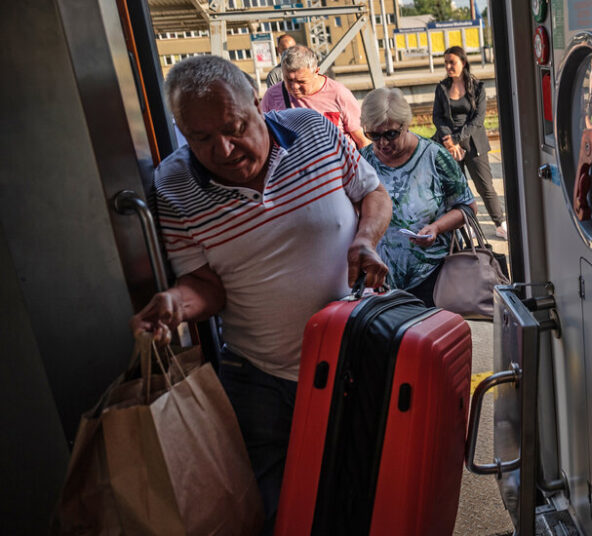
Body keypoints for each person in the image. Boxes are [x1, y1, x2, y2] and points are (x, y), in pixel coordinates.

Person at [131, 55, 391, 533]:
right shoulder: (172, 186)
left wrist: (365, 240)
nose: (224, 149)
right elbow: (206, 287)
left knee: (365, 498)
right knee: (278, 515)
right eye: (201, 138)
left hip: (352, 359)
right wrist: (176, 306)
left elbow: (373, 193)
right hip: (261, 381)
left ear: (258, 103)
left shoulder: (313, 130)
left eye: (233, 128)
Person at [360, 88, 477, 306]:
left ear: (405, 125)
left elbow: (468, 207)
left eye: (390, 134)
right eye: (373, 135)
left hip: (433, 278)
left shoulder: (434, 156)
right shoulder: (362, 161)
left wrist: (436, 228)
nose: (383, 143)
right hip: (381, 281)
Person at [432, 46, 507, 239]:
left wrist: (457, 139)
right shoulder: (441, 88)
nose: (448, 66)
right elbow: (438, 118)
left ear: (463, 62)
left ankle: (500, 224)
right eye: (446, 63)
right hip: (449, 146)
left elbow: (478, 120)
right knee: (457, 188)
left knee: (485, 186)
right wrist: (450, 142)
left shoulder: (478, 87)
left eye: (452, 62)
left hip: (474, 144)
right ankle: (466, 225)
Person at [260, 45, 372, 149]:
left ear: (316, 72)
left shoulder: (338, 94)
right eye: (288, 80)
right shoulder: (272, 96)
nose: (294, 87)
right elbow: (262, 139)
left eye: (301, 81)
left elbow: (363, 141)